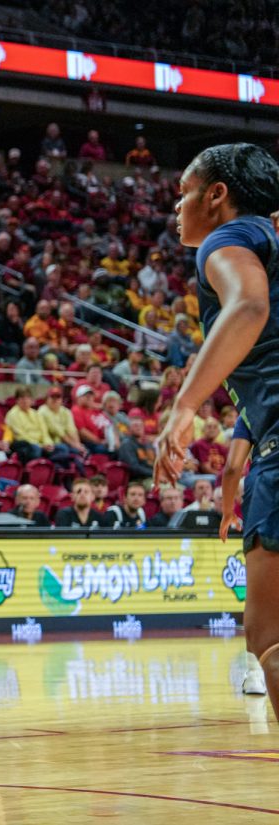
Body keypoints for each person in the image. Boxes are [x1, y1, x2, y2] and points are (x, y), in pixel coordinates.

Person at [153, 144, 279, 713]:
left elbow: (248, 307)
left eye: (184, 192)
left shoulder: (225, 239)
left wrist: (184, 406)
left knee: (271, 642)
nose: (177, 208)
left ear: (217, 195)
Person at [219, 417, 268, 695]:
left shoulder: (252, 406)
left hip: (264, 489)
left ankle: (254, 674)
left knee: (258, 592)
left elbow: (233, 467)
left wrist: (227, 512)